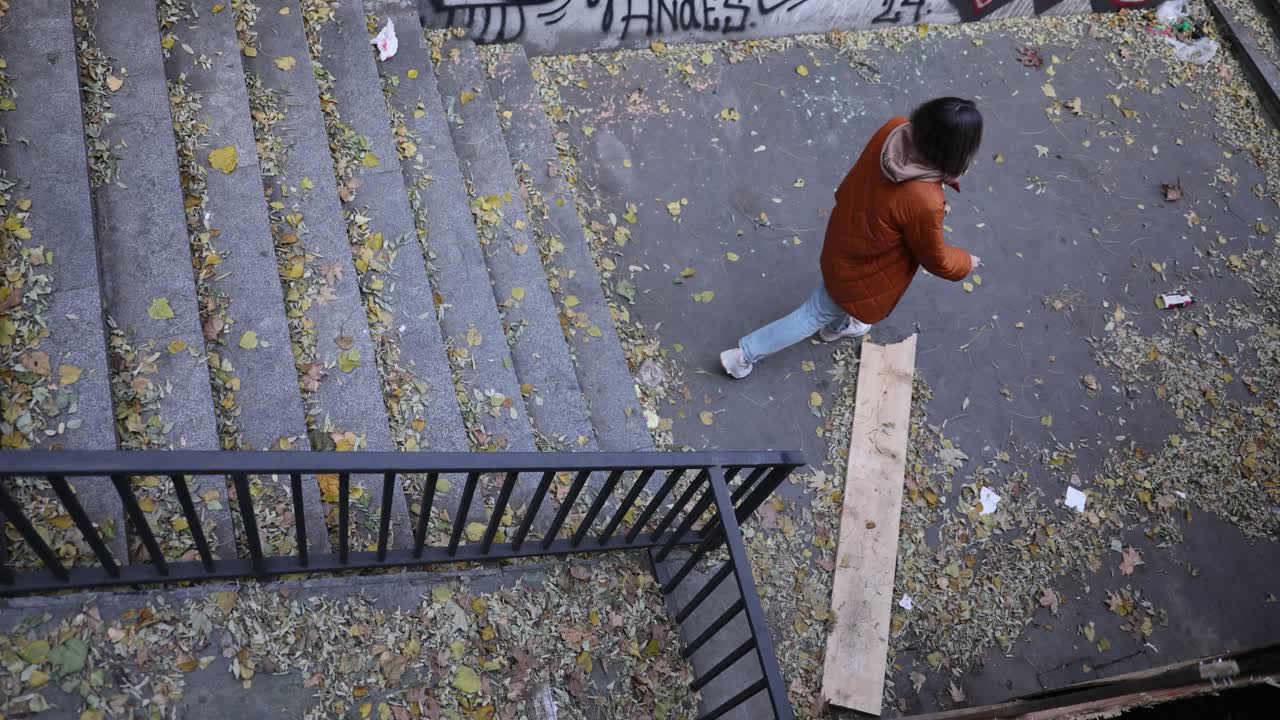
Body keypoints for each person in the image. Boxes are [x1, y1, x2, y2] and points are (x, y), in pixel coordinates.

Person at [720, 97, 984, 379]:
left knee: (834, 298)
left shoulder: (894, 129)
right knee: (814, 312)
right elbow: (936, 258)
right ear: (956, 151)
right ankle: (743, 355)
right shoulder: (925, 200)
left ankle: (838, 327)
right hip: (867, 269)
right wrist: (966, 262)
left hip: (845, 233)